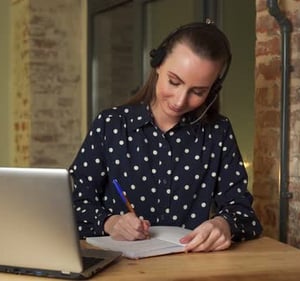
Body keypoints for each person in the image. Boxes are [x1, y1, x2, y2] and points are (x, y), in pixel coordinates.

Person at [69, 21, 262, 252]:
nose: (180, 101)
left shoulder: (218, 132)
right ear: (157, 64)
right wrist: (111, 223)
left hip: (194, 268)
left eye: (198, 92)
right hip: (121, 269)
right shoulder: (110, 125)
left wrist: (224, 224)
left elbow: (242, 212)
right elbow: (75, 205)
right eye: (174, 81)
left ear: (213, 90)